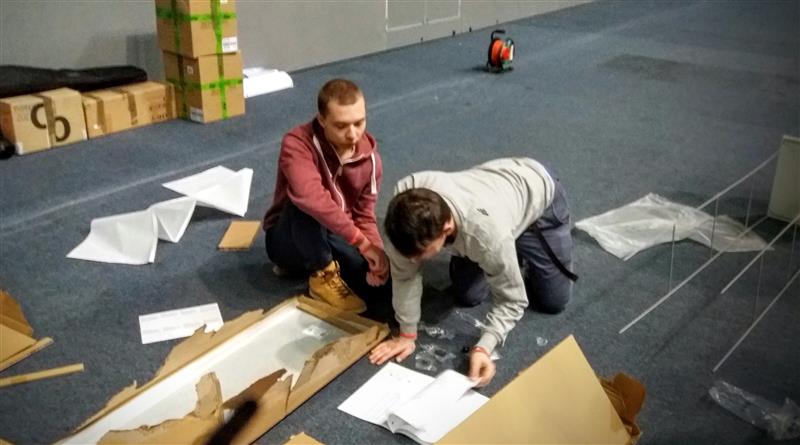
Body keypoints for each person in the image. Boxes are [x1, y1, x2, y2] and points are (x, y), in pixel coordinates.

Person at [368, 157, 577, 386]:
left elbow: (512, 300)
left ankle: (513, 250)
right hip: (486, 197)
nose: (412, 261)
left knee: (553, 301)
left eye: (420, 254)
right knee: (468, 296)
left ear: (446, 229)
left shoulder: (486, 236)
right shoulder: (403, 208)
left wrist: (484, 347)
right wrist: (406, 334)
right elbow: (404, 275)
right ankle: (505, 256)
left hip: (538, 194)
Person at [263, 79, 389, 313]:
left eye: (359, 123)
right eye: (341, 126)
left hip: (337, 233)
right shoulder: (297, 143)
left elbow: (364, 216)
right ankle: (321, 272)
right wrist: (361, 242)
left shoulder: (372, 160)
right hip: (288, 237)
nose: (353, 134)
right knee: (305, 204)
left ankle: (320, 268)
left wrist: (377, 252)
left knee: (379, 289)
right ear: (322, 120)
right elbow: (309, 197)